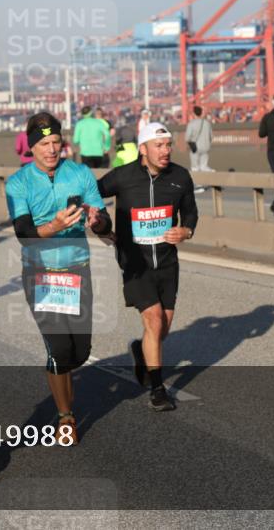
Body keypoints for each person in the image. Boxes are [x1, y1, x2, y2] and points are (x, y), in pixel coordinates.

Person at [6, 112, 112, 445]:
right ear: (31, 147)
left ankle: (65, 374)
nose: (52, 150)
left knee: (79, 352)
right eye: (44, 144)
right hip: (41, 274)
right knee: (58, 348)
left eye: (56, 143)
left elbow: (104, 220)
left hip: (77, 271)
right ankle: (66, 416)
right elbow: (23, 232)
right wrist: (54, 225)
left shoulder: (79, 173)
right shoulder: (18, 183)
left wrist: (97, 222)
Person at [98, 122, 197, 411]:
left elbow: (190, 211)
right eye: (159, 146)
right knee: (153, 320)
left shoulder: (180, 176)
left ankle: (141, 352)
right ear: (143, 149)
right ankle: (157, 389)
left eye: (168, 145)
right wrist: (101, 226)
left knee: (162, 327)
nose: (166, 151)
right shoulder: (123, 176)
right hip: (135, 262)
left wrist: (186, 231)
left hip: (167, 262)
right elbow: (93, 196)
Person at [184, 106, 213, 174]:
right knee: (204, 167)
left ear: (194, 114)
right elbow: (211, 136)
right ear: (201, 113)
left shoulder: (191, 124)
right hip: (206, 147)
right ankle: (206, 182)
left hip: (195, 147)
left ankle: (198, 184)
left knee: (195, 168)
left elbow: (187, 138)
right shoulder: (207, 123)